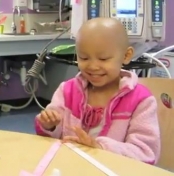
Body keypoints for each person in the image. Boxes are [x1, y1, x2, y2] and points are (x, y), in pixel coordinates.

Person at [35, 17, 160, 164]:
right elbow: (50, 140)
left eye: (103, 59)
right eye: (84, 58)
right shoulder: (67, 91)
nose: (93, 66)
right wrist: (49, 125)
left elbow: (146, 153)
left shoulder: (141, 101)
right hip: (70, 167)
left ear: (126, 56)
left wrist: (100, 147)